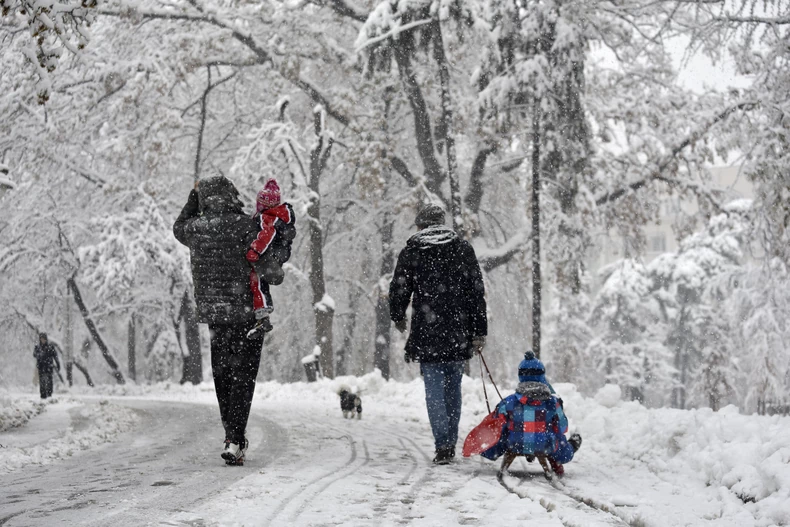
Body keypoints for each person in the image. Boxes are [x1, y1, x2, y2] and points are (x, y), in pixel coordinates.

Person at [173, 175, 293, 466]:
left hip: (215, 316)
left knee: (223, 377)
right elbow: (271, 271)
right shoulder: (245, 225)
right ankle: (235, 438)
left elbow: (178, 227)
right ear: (232, 195)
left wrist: (194, 198)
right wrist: (277, 266)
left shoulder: (195, 229)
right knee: (243, 379)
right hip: (247, 314)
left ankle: (231, 434)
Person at [389, 204, 487, 465]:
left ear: (421, 225)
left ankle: (443, 443)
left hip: (427, 330)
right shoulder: (463, 249)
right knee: (453, 387)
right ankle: (449, 440)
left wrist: (398, 315)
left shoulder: (413, 250)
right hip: (457, 329)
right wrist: (478, 331)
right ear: (442, 223)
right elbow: (476, 292)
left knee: (433, 390)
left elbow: (400, 286)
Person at [481, 351, 582, 477]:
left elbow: (496, 421)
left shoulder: (509, 401)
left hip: (514, 444)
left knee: (505, 428)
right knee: (556, 435)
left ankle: (491, 451)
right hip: (544, 446)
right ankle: (567, 451)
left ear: (520, 375)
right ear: (542, 375)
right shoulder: (552, 402)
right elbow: (563, 427)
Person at [245, 179, 296, 336]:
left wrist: (255, 251)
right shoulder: (278, 216)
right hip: (275, 256)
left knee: (256, 281)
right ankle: (263, 317)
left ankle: (262, 314)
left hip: (266, 255)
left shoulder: (267, 217)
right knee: (259, 282)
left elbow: (266, 235)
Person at [33, 332, 60, 399]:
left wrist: (58, 364)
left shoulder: (50, 347)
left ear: (46, 339)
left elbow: (55, 356)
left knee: (49, 381)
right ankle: (43, 395)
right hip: (41, 366)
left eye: (44, 339)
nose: (43, 340)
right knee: (42, 381)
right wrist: (39, 355)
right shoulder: (37, 347)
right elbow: (34, 354)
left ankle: (49, 394)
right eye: (41, 339)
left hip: (49, 366)